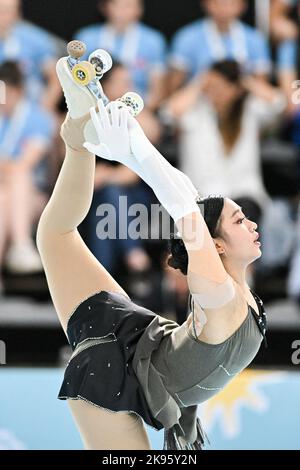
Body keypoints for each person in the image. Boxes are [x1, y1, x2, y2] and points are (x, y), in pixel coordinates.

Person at [36, 47, 267, 450]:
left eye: (242, 219)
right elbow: (183, 208)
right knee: (54, 235)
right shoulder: (217, 292)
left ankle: (81, 134)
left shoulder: (235, 291)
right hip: (111, 372)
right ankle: (83, 137)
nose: (252, 224)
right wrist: (132, 145)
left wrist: (131, 145)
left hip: (135, 340)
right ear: (214, 247)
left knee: (54, 234)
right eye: (239, 220)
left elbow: (183, 194)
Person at [164, 60, 286, 226]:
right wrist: (200, 82)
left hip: (245, 194)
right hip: (203, 197)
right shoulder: (195, 110)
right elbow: (170, 111)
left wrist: (245, 80)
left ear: (236, 89)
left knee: (242, 217)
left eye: (222, 87)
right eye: (212, 86)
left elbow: (278, 102)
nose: (215, 92)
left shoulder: (249, 111)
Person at [0, 61, 54, 284]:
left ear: (19, 91)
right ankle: (20, 247)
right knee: (3, 198)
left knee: (19, 179)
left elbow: (24, 165)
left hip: (33, 197)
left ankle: (22, 244)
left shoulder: (39, 119)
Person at [74, 0, 167, 110]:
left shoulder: (153, 41)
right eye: (116, 5)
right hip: (93, 104)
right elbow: (76, 82)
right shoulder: (86, 38)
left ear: (139, 9)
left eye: (128, 6)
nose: (121, 11)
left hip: (135, 107)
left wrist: (140, 110)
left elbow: (157, 92)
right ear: (105, 7)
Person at [169, 0, 271, 93]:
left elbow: (262, 83)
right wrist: (204, 83)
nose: (224, 9)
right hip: (200, 100)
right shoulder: (187, 37)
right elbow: (174, 86)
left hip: (242, 100)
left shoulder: (255, 39)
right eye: (218, 3)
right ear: (206, 4)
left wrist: (243, 82)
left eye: (230, 3)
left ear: (242, 6)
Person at [0, 0, 60, 110]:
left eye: (8, 11)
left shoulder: (34, 40)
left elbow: (55, 78)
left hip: (30, 105)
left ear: (17, 13)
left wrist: (43, 111)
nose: (3, 16)